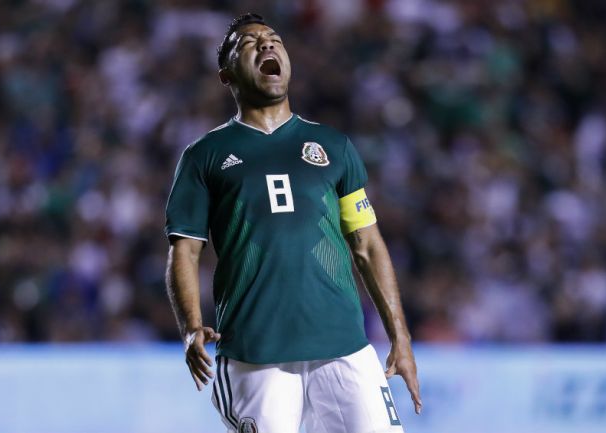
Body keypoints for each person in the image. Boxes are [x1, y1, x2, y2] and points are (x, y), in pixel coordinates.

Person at [164, 13, 422, 433]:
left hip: (344, 347)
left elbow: (367, 244)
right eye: (248, 42)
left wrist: (401, 339)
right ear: (226, 74)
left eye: (273, 39)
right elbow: (185, 250)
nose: (266, 45)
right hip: (255, 352)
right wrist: (191, 328)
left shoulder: (333, 146)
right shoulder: (204, 156)